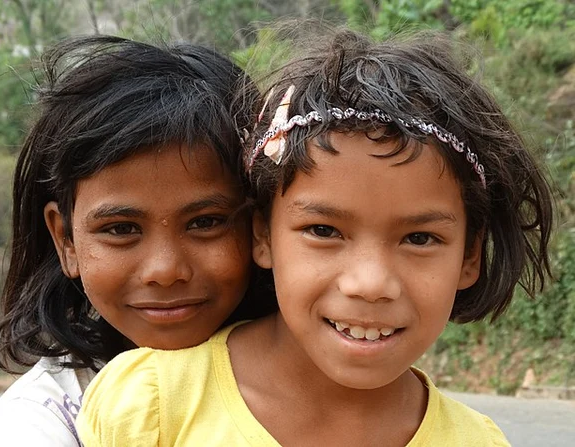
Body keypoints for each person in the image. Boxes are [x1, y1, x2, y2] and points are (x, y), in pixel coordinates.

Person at [76, 28, 554, 446]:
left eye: (420, 238)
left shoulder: (476, 442)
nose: (370, 283)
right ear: (261, 233)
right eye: (323, 230)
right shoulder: (151, 409)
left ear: (470, 254)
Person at [0, 35, 275, 446]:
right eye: (121, 229)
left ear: (263, 226)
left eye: (206, 222)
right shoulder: (40, 422)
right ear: (66, 239)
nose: (165, 270)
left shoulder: (335, 368)